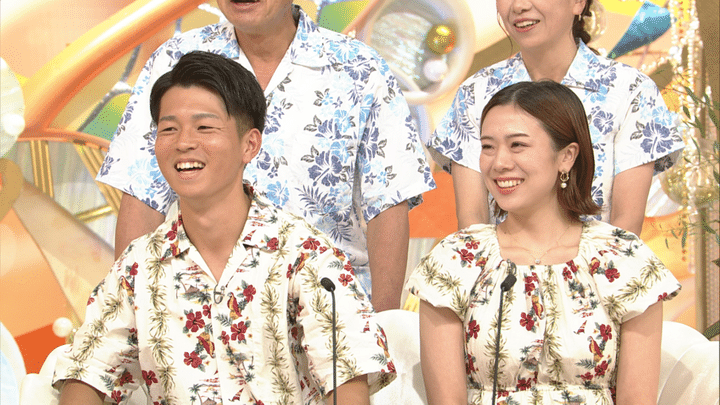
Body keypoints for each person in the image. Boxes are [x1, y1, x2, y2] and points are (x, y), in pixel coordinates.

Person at [54, 51, 396, 405]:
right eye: (169, 129)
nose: (184, 142)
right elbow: (86, 374)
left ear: (250, 144)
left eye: (204, 127)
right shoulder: (138, 268)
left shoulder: (306, 256)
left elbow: (348, 381)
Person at [97, 0, 436, 312]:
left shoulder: (360, 69)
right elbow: (142, 194)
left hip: (329, 310)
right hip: (199, 313)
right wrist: (130, 315)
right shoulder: (175, 60)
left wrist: (382, 326)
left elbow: (387, 204)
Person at [407, 81, 680, 404]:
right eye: (488, 147)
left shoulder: (623, 258)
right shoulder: (456, 260)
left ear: (566, 156)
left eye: (517, 145)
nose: (499, 163)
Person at [428, 0, 684, 235]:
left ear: (578, 3)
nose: (519, 6)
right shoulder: (475, 93)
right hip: (498, 268)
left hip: (602, 268)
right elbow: (472, 223)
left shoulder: (631, 90)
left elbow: (626, 226)